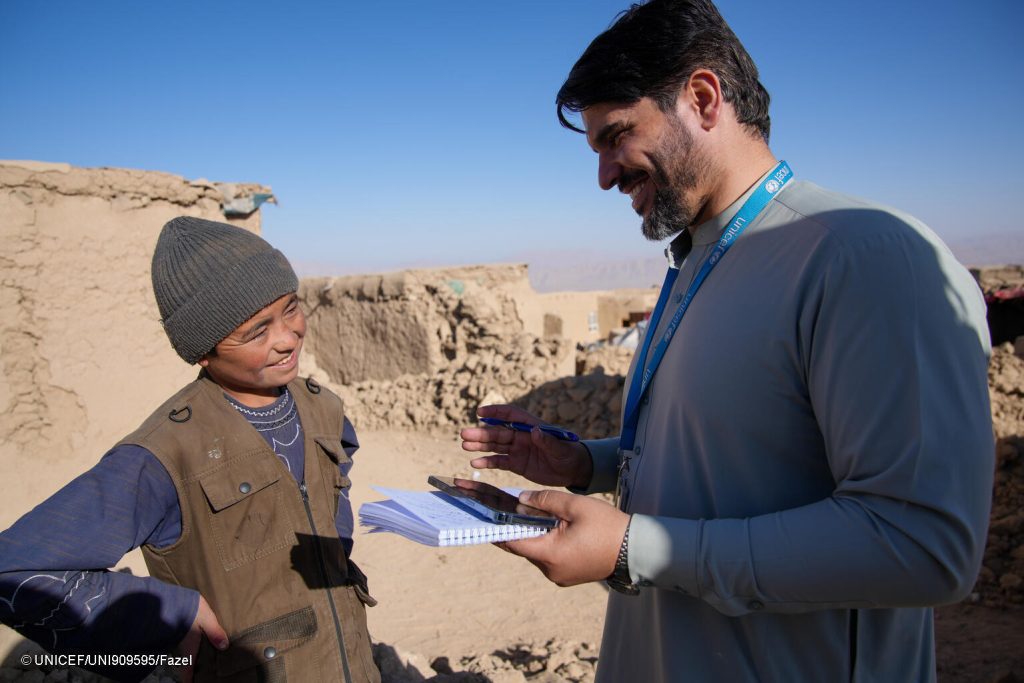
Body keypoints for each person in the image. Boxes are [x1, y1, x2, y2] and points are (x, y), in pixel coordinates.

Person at [460, 1, 995, 681]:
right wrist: (581, 464)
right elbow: (736, 452)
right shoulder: (697, 262)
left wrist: (636, 547)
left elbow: (923, 544)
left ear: (704, 98)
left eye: (615, 136)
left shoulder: (868, 258)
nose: (603, 175)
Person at [0, 217, 380, 683]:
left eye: (291, 309)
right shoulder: (166, 453)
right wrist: (172, 613)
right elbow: (15, 570)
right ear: (202, 350)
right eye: (257, 331)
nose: (287, 337)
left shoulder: (323, 407)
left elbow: (337, 480)